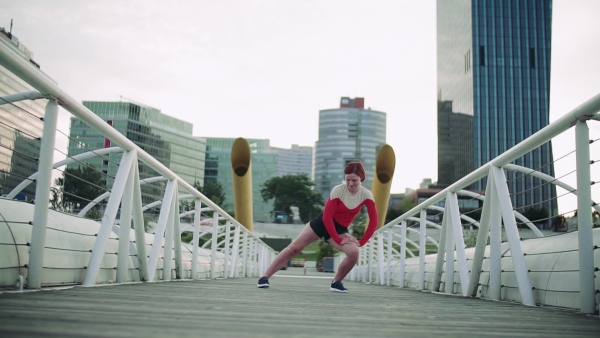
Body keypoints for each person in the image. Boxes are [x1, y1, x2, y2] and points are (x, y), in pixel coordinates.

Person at [257, 161, 378, 293]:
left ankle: (336, 282)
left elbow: (373, 221)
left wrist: (361, 241)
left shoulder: (366, 195)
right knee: (294, 248)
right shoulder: (338, 190)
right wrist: (337, 239)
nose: (350, 184)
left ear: (362, 178)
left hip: (340, 228)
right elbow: (327, 217)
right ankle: (264, 277)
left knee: (354, 253)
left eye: (354, 180)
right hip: (322, 223)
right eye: (347, 179)